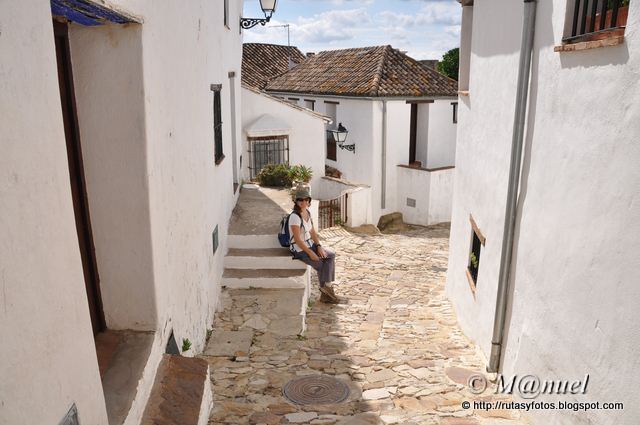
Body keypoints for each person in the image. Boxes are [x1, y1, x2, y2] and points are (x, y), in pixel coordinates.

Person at [288, 185, 340, 304]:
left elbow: (312, 232)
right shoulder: (294, 217)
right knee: (322, 265)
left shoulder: (307, 213)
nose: (303, 202)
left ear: (309, 201)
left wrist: (318, 246)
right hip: (300, 250)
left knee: (330, 255)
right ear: (296, 201)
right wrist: (310, 253)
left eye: (306, 199)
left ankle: (326, 290)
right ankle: (327, 291)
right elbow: (297, 239)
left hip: (310, 245)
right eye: (300, 200)